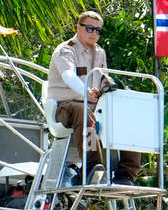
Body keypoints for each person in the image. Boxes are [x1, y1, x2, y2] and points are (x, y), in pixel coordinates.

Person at [45, 10, 141, 185]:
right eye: (89, 28)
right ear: (78, 27)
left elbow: (103, 77)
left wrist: (109, 88)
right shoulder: (66, 50)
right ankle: (92, 167)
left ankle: (126, 173)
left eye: (98, 31)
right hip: (65, 107)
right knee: (83, 111)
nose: (94, 34)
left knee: (129, 114)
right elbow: (68, 76)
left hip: (92, 108)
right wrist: (86, 92)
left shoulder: (100, 52)